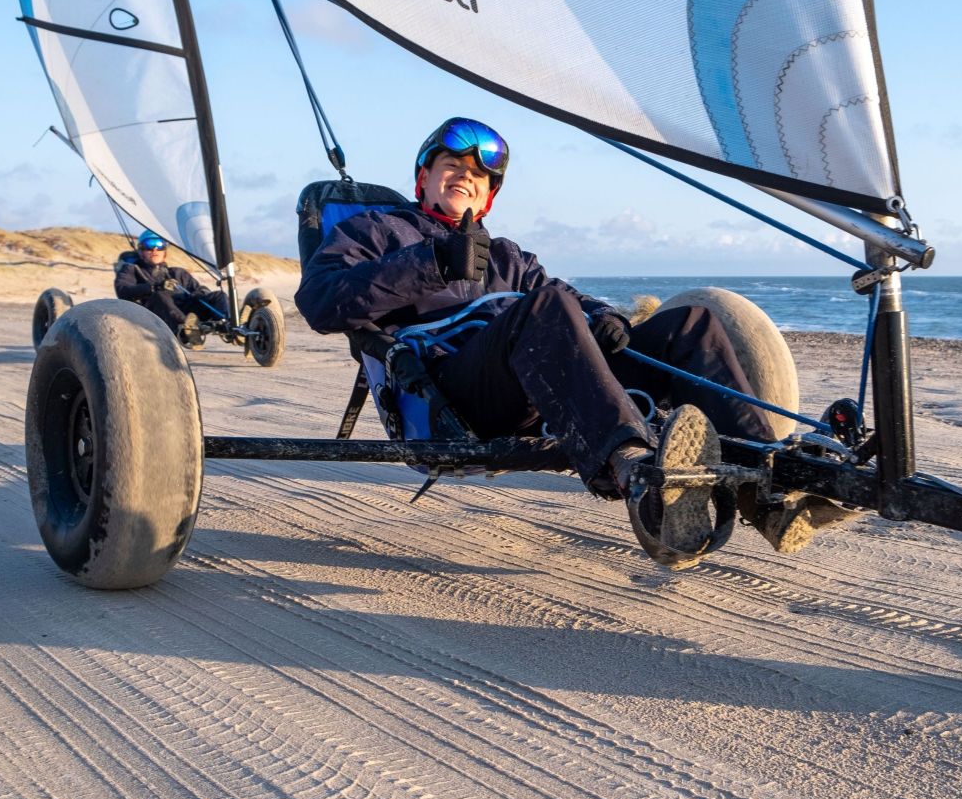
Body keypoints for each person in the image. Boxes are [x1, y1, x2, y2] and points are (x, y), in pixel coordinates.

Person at [296, 117, 856, 567]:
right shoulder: (374, 231)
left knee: (691, 327)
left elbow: (568, 298)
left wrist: (605, 318)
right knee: (543, 310)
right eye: (450, 165)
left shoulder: (509, 257)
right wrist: (430, 263)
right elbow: (319, 302)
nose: (463, 176)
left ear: (488, 197)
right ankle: (634, 470)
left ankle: (775, 490)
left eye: (478, 174)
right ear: (423, 179)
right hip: (452, 393)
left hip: (547, 384)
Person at [114, 229, 228, 347]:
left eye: (160, 246)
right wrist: (155, 287)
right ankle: (186, 331)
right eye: (149, 246)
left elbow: (199, 290)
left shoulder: (178, 273)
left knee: (218, 296)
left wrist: (200, 294)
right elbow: (123, 290)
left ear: (165, 252)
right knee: (160, 295)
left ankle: (230, 327)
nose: (155, 250)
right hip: (154, 314)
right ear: (141, 250)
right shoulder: (131, 269)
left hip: (187, 312)